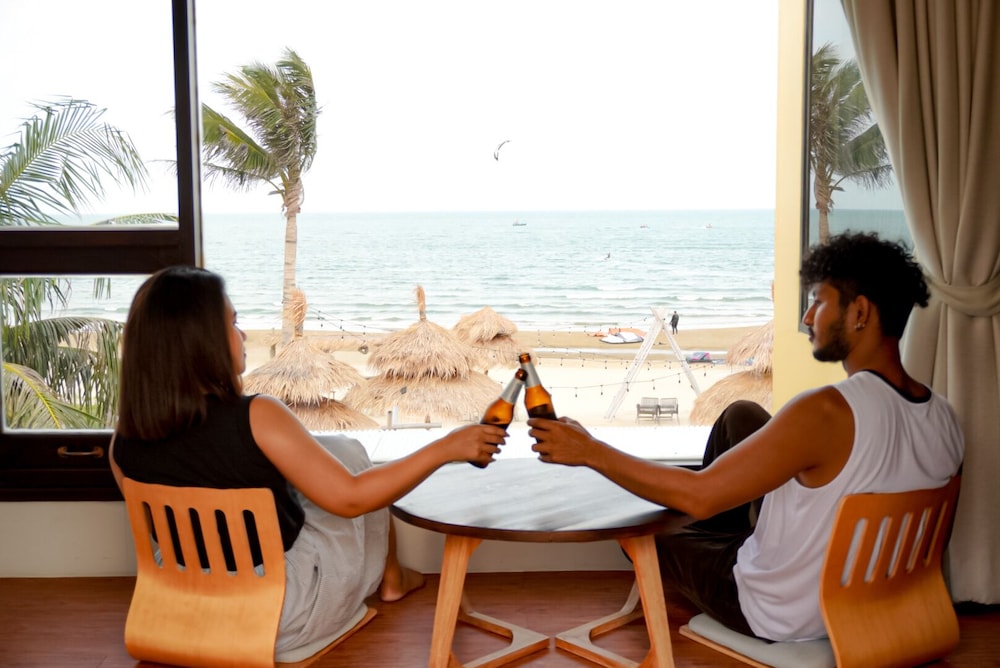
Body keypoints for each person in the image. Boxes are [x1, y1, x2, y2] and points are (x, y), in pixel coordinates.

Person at [527, 232, 963, 642]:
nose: (807, 317)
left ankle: (707, 535)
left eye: (818, 301)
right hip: (873, 601)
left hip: (783, 612)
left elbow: (700, 496)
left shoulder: (827, 411)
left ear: (860, 313)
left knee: (639, 529)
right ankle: (717, 527)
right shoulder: (945, 417)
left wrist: (591, 451)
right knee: (741, 415)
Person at [110, 266, 509, 662]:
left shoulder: (122, 441)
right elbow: (352, 499)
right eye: (232, 323)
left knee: (340, 448)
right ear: (199, 342)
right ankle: (393, 577)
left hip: (181, 609)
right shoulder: (258, 415)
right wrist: (444, 448)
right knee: (353, 468)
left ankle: (392, 575)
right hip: (279, 614)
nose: (243, 335)